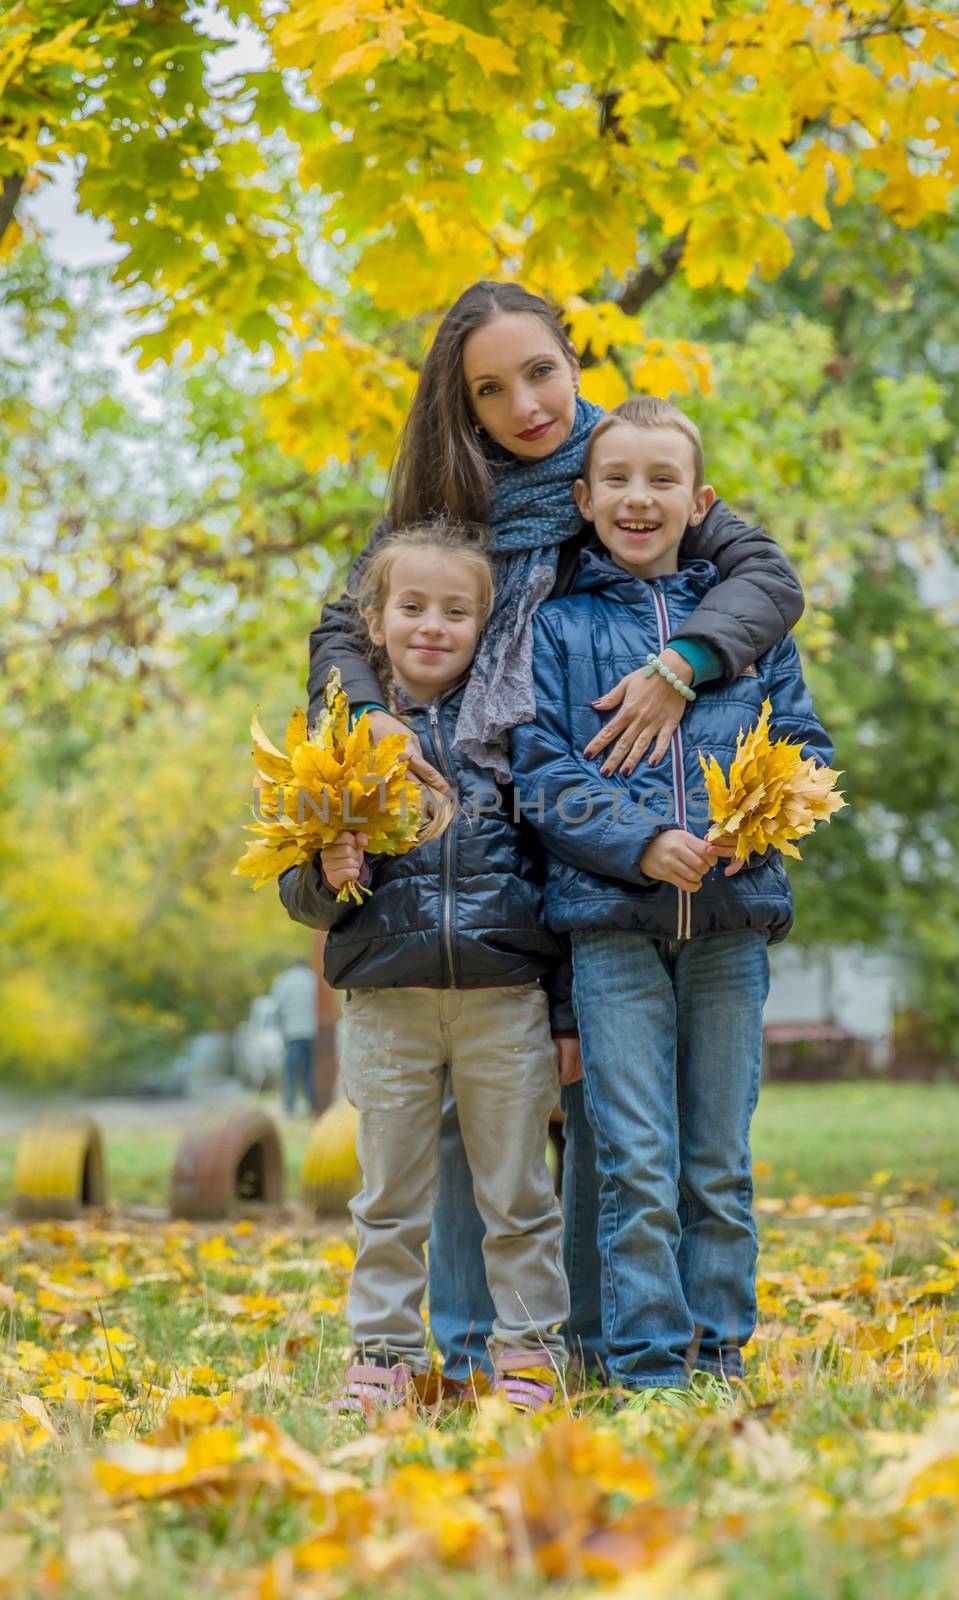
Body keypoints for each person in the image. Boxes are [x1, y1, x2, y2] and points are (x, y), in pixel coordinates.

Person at [307, 280, 806, 1380]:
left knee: (578, 1092)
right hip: (473, 806)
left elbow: (765, 579)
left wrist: (685, 664)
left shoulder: (625, 469)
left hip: (585, 803)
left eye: (539, 370)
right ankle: (461, 1344)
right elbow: (344, 630)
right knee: (458, 1106)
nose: (524, 403)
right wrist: (374, 720)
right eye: (490, 388)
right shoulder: (445, 500)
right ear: (461, 404)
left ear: (572, 360)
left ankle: (580, 1341)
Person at [510, 396, 834, 1404]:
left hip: (730, 932)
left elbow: (808, 754)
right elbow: (541, 771)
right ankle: (645, 1366)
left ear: (698, 503)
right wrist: (641, 843)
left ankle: (718, 1357)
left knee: (715, 1163)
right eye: (615, 479)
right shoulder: (558, 628)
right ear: (582, 498)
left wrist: (757, 821)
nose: (636, 497)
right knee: (633, 1158)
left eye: (660, 481)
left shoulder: (749, 635)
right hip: (611, 932)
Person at [280, 517, 575, 1413]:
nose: (432, 627)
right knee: (389, 1197)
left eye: (456, 611)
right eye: (412, 607)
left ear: (483, 627)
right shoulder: (337, 746)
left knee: (519, 1193)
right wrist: (334, 876)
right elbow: (296, 891)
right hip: (387, 1003)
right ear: (375, 622)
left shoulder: (513, 738)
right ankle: (384, 1359)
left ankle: (529, 1357)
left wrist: (561, 1014)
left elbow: (556, 879)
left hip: (502, 1000)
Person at [270, 958, 318, 1115]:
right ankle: (312, 1106)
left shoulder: (284, 980)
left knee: (291, 1073)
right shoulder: (315, 979)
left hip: (293, 1035)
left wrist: (281, 1029)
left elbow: (277, 1007)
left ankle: (289, 1107)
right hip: (312, 1033)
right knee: (310, 1073)